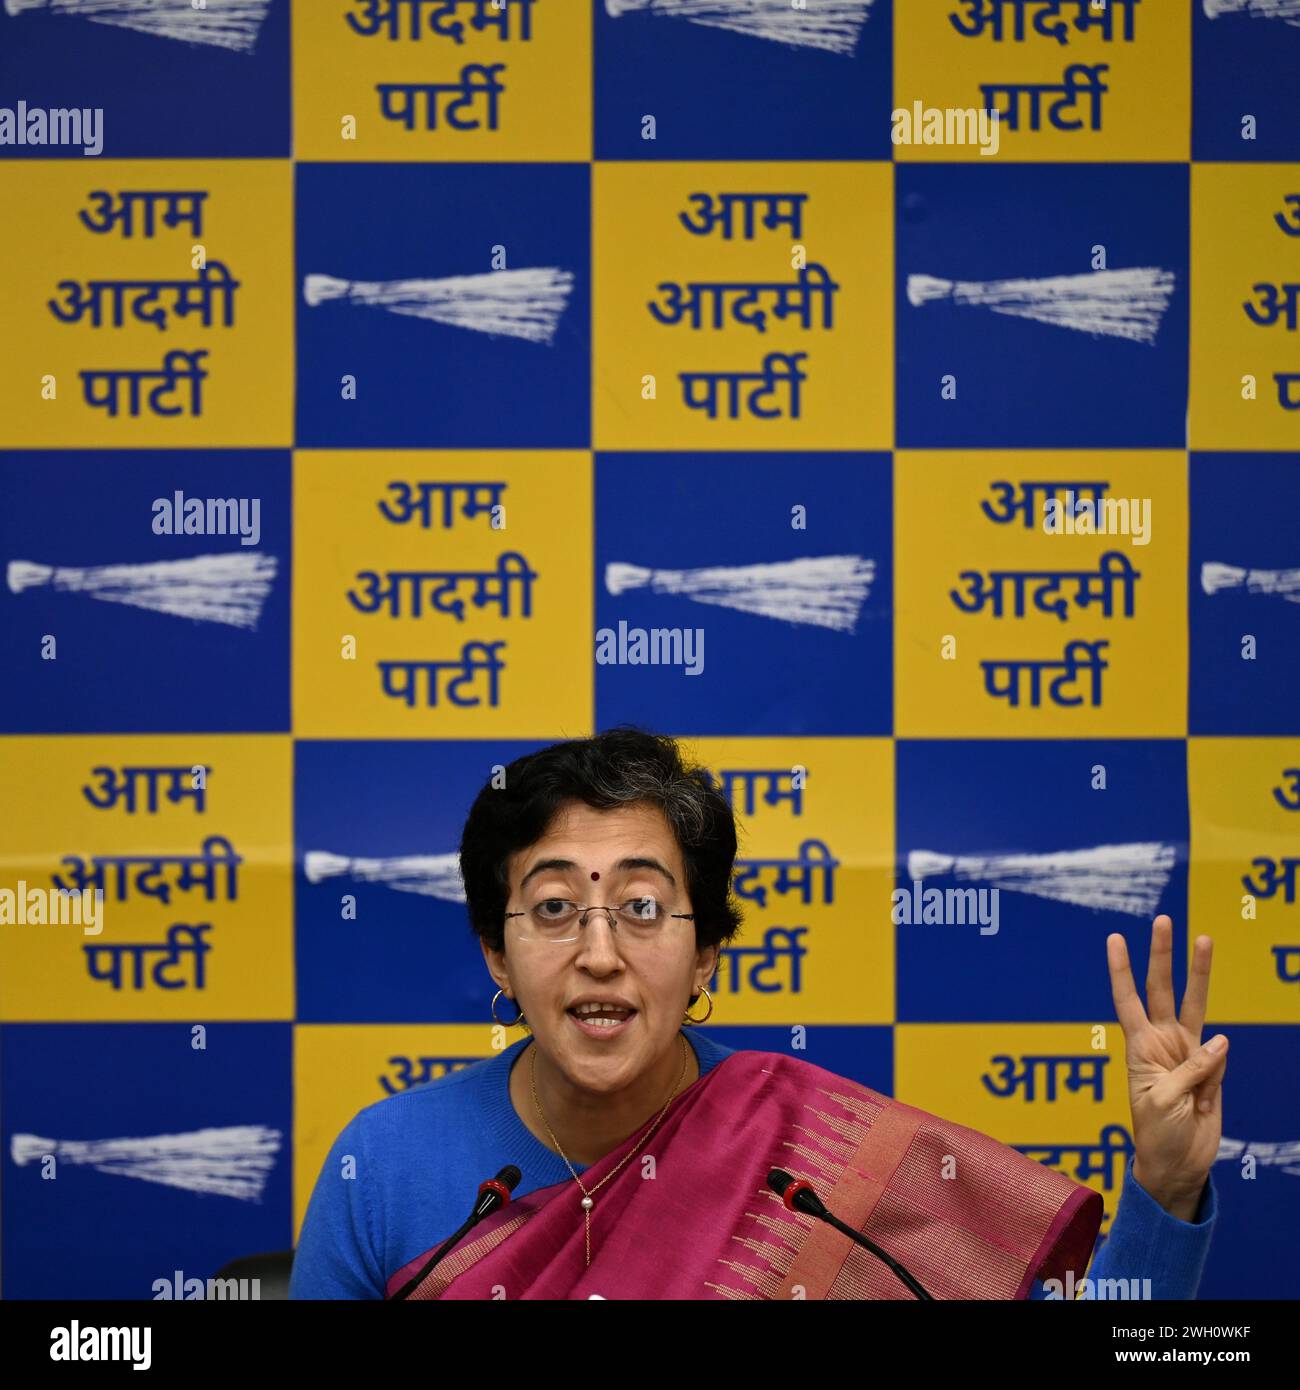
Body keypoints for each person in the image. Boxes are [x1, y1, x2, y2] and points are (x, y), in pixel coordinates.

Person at [290, 728, 1222, 1300]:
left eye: (646, 908)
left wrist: (1166, 1190)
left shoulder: (818, 1164)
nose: (601, 951)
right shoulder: (386, 1167)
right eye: (555, 908)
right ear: (497, 952)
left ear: (705, 954)